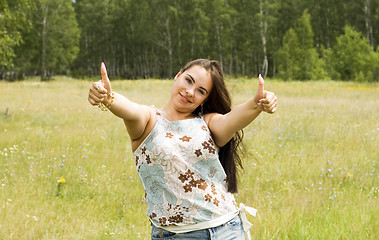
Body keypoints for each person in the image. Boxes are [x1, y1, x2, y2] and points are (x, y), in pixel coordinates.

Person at [88, 59, 278, 239]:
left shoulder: (208, 123)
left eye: (200, 91)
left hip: (227, 229)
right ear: (177, 75)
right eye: (188, 80)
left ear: (204, 99)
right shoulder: (149, 119)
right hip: (177, 235)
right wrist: (108, 97)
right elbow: (130, 109)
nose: (189, 91)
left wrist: (257, 103)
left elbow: (230, 120)